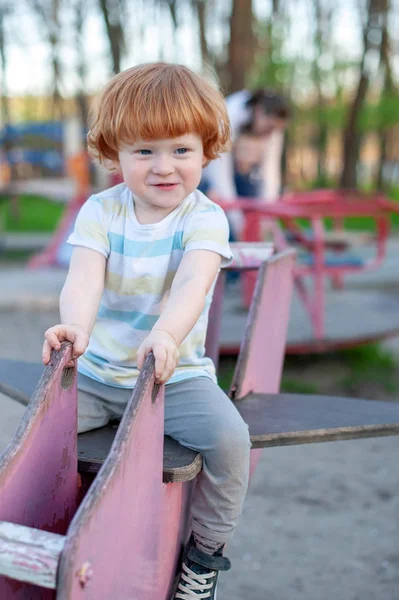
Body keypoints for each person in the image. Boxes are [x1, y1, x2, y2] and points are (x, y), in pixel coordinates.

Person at [42, 62, 251, 600]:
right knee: (39, 435)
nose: (164, 167)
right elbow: (84, 278)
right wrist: (75, 328)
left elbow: (193, 285)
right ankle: (48, 539)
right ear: (114, 155)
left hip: (172, 374)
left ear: (207, 150)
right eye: (144, 151)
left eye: (181, 150)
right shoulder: (101, 211)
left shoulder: (204, 219)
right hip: (95, 373)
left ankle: (203, 555)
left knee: (230, 442)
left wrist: (166, 335)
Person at [202, 88, 290, 238]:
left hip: (244, 175)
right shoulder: (229, 116)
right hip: (209, 174)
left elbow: (271, 171)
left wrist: (267, 216)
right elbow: (220, 174)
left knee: (253, 209)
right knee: (223, 217)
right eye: (269, 128)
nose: (271, 134)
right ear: (258, 111)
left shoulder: (271, 128)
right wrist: (237, 222)